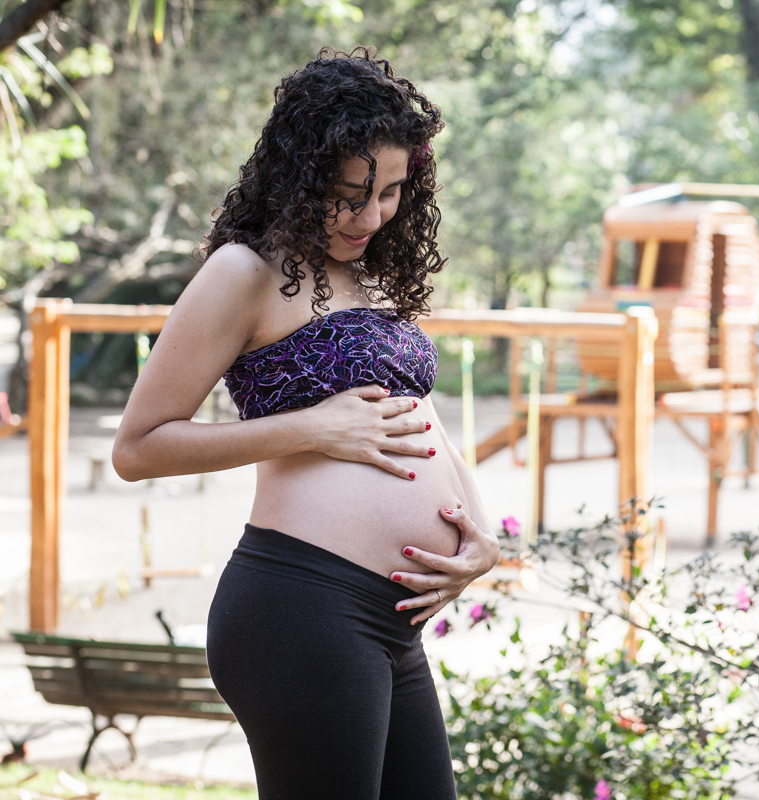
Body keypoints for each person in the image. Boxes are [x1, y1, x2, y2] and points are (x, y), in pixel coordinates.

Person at [113, 47, 498, 799]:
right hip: (303, 608)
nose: (371, 215)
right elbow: (138, 446)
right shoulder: (244, 272)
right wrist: (311, 430)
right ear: (300, 174)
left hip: (390, 620)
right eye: (349, 194)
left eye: (390, 192)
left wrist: (480, 532)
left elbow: (414, 417)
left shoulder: (367, 272)